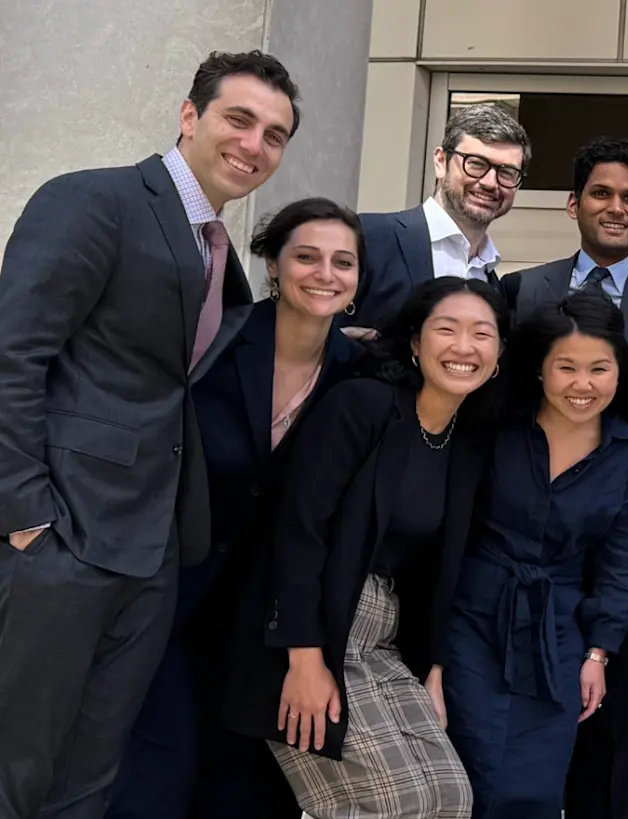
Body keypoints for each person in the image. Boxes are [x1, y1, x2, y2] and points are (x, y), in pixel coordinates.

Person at [0, 50, 300, 818]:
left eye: (275, 134)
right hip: (60, 540)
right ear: (190, 115)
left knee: (92, 776)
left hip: (150, 549)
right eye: (240, 119)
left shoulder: (218, 255)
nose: (254, 145)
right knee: (15, 765)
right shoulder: (96, 201)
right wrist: (27, 517)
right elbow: (11, 355)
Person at [107, 198, 367, 819]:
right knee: (156, 780)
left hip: (272, 621)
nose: (324, 273)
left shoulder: (363, 374)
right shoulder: (215, 339)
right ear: (274, 264)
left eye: (343, 261)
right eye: (306, 256)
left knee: (247, 795)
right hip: (171, 597)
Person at [220, 277, 509, 819]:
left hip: (384, 638)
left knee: (450, 797)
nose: (464, 347)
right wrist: (304, 660)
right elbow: (297, 529)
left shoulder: (467, 440)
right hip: (311, 630)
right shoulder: (362, 406)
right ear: (416, 343)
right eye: (446, 330)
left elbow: (437, 573)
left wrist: (434, 668)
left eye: (482, 334)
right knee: (389, 802)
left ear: (498, 355)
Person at [498, 136, 628, 819]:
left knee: (608, 748)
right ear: (573, 204)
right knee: (517, 744)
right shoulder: (519, 293)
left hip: (621, 570)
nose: (616, 207)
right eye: (602, 193)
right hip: (520, 565)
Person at [443, 292, 628, 818]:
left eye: (599, 369)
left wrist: (597, 654)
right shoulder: (494, 424)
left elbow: (622, 564)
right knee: (464, 775)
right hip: (472, 621)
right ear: (540, 369)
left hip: (558, 635)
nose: (583, 385)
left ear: (619, 372)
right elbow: (450, 533)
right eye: (567, 367)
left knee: (534, 787)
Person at [347, 103, 531, 332]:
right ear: (440, 162)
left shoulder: (498, 285)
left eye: (506, 172)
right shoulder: (368, 237)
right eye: (476, 164)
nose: (489, 183)